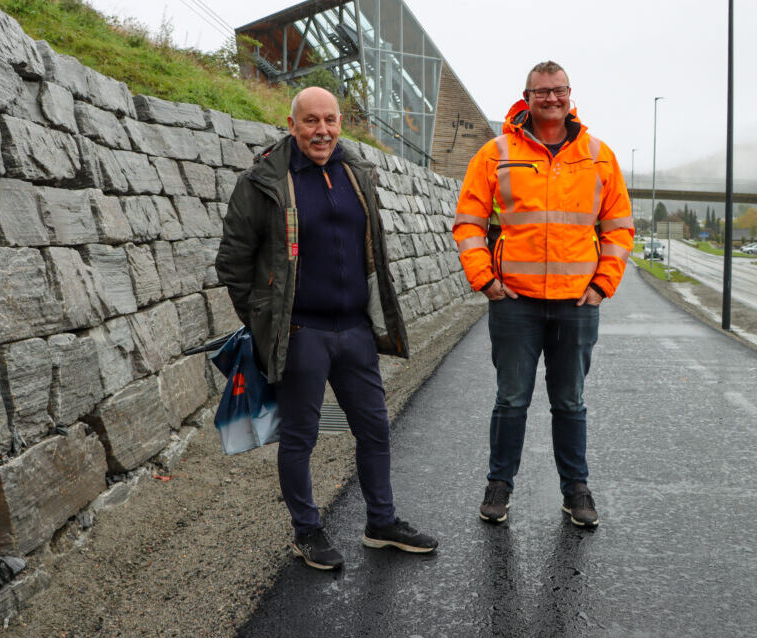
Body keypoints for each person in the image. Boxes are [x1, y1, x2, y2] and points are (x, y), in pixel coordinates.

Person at [216, 86, 438, 570]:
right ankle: (307, 531)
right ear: (292, 124)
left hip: (355, 329)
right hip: (301, 333)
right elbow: (232, 263)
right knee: (301, 436)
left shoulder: (355, 172)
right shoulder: (264, 182)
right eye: (311, 121)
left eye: (331, 120)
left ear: (340, 123)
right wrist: (264, 323)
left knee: (375, 428)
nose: (322, 131)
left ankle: (381, 522)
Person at [452, 61, 634, 528]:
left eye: (559, 91)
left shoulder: (598, 155)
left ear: (570, 95)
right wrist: (485, 281)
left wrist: (601, 285)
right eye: (542, 92)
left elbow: (618, 227)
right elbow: (468, 222)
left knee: (569, 402)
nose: (551, 99)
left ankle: (576, 490)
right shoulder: (496, 153)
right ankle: (499, 485)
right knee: (511, 399)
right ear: (526, 97)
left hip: (577, 302)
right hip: (515, 301)